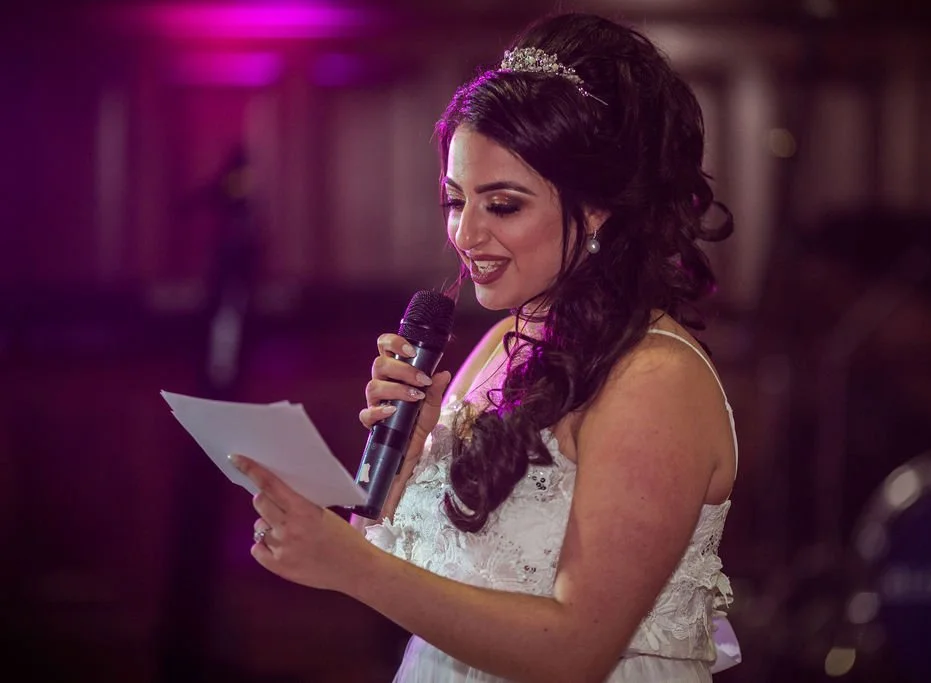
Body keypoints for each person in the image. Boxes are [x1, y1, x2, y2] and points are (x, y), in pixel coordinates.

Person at [230, 12, 740, 682]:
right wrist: (400, 469)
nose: (465, 234)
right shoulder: (505, 341)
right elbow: (424, 577)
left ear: (596, 210)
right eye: (454, 200)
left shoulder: (655, 378)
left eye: (501, 205)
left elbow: (577, 648)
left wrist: (353, 567)